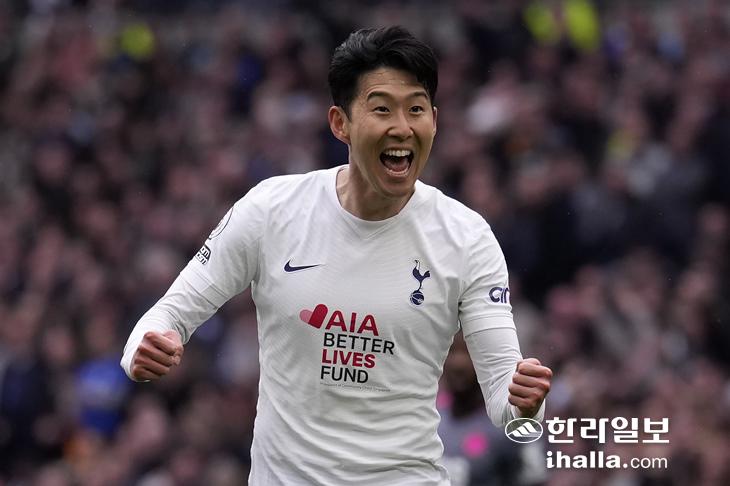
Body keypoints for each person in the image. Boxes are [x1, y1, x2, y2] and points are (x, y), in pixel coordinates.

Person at [121, 26, 552, 485]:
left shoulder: (467, 237)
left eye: (416, 109)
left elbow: (509, 410)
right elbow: (168, 315)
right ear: (340, 123)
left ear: (434, 120)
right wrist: (142, 349)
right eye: (382, 108)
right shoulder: (271, 210)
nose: (402, 127)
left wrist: (526, 402)